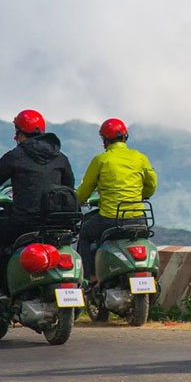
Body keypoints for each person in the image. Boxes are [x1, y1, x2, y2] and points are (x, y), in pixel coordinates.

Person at [0, 109, 75, 305]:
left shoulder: (15, 156)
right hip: (57, 222)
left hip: (25, 222)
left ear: (19, 132)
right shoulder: (60, 157)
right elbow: (69, 187)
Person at [76, 118, 158, 283]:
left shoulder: (101, 160)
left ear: (105, 141)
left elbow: (85, 190)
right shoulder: (140, 158)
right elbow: (152, 185)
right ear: (125, 138)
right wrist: (141, 195)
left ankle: (91, 279)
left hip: (110, 219)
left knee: (84, 234)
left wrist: (76, 200)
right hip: (138, 218)